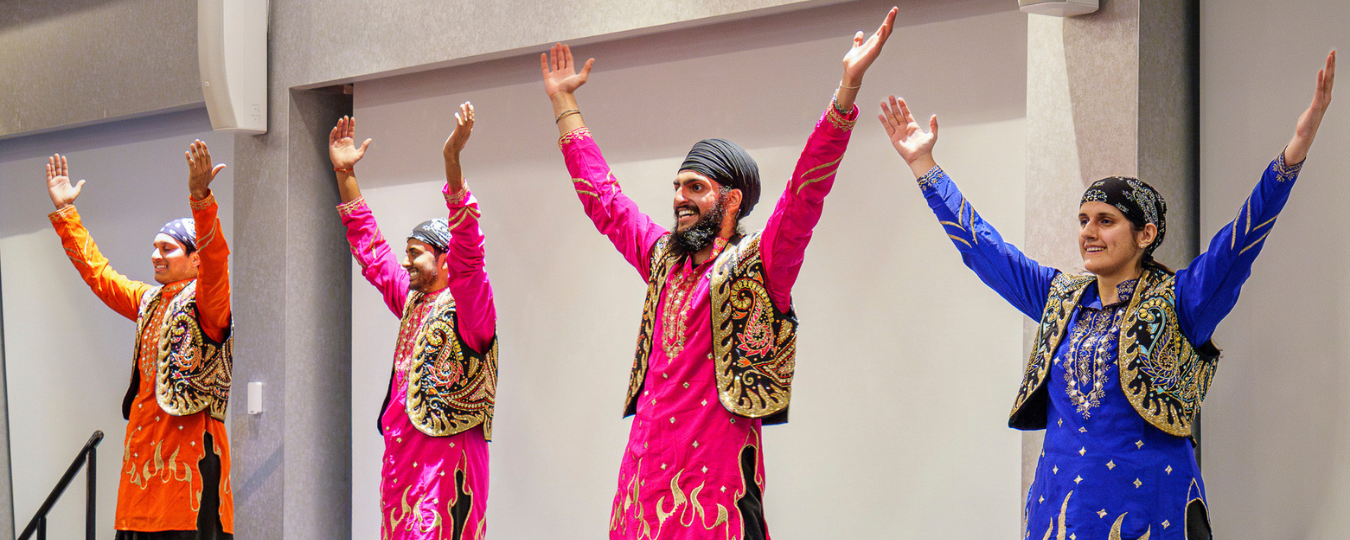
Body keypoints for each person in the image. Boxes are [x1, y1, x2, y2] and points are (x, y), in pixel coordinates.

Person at [878, 50, 1336, 540]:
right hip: (1060, 512)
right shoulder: (1060, 298)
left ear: (1145, 234)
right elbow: (984, 250)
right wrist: (926, 168)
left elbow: (1236, 248)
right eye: (1082, 221)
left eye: (1105, 220)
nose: (1089, 233)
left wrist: (1293, 154)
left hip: (1151, 512)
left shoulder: (1181, 302)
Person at [540, 8, 897, 539]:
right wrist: (565, 104)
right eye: (678, 186)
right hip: (640, 489)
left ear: (731, 200)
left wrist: (847, 90)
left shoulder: (760, 265)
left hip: (712, 495)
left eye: (695, 188)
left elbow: (804, 194)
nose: (679, 198)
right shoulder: (664, 258)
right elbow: (605, 201)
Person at [45, 141, 234, 539]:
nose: (154, 255)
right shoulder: (149, 301)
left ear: (194, 259)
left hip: (189, 472)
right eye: (153, 247)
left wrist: (201, 200)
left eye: (167, 248)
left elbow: (217, 260)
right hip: (141, 471)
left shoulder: (209, 304)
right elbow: (100, 275)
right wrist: (67, 214)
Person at [328, 102, 498, 539]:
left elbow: (471, 255)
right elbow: (371, 251)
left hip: (447, 465)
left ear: (445, 259)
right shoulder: (412, 302)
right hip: (402, 460)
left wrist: (452, 166)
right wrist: (346, 177)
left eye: (416, 253)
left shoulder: (470, 309)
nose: (405, 264)